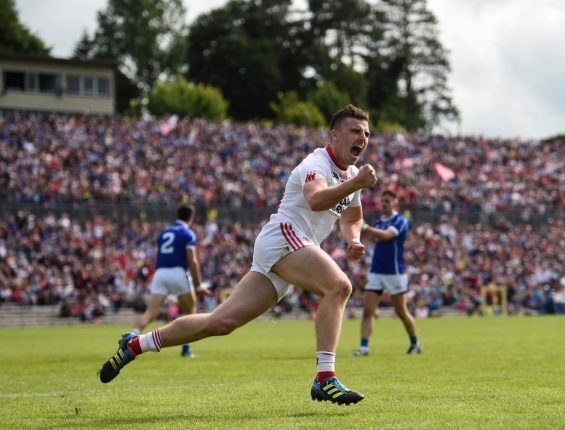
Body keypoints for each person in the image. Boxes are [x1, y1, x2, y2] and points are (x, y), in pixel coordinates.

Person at [99, 105, 377, 406]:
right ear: (334, 135)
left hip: (293, 246)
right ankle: (325, 378)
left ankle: (136, 344)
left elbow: (351, 217)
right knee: (340, 286)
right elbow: (316, 198)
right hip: (284, 236)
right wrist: (356, 183)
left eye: (366, 133)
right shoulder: (316, 163)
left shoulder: (351, 174)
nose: (362, 137)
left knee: (219, 323)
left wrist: (353, 239)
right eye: (355, 131)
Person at [130, 204, 204, 357]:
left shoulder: (164, 233)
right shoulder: (188, 233)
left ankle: (131, 336)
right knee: (190, 312)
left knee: (150, 313)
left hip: (160, 273)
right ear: (190, 218)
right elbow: (193, 261)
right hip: (178, 272)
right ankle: (186, 349)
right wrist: (198, 285)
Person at [353, 189, 420, 356]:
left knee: (401, 311)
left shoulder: (400, 220)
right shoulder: (379, 222)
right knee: (368, 311)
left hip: (394, 272)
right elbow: (376, 238)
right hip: (376, 271)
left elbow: (385, 236)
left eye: (387, 201)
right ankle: (364, 347)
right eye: (382, 201)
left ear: (395, 202)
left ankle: (415, 343)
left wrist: (365, 227)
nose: (384, 204)